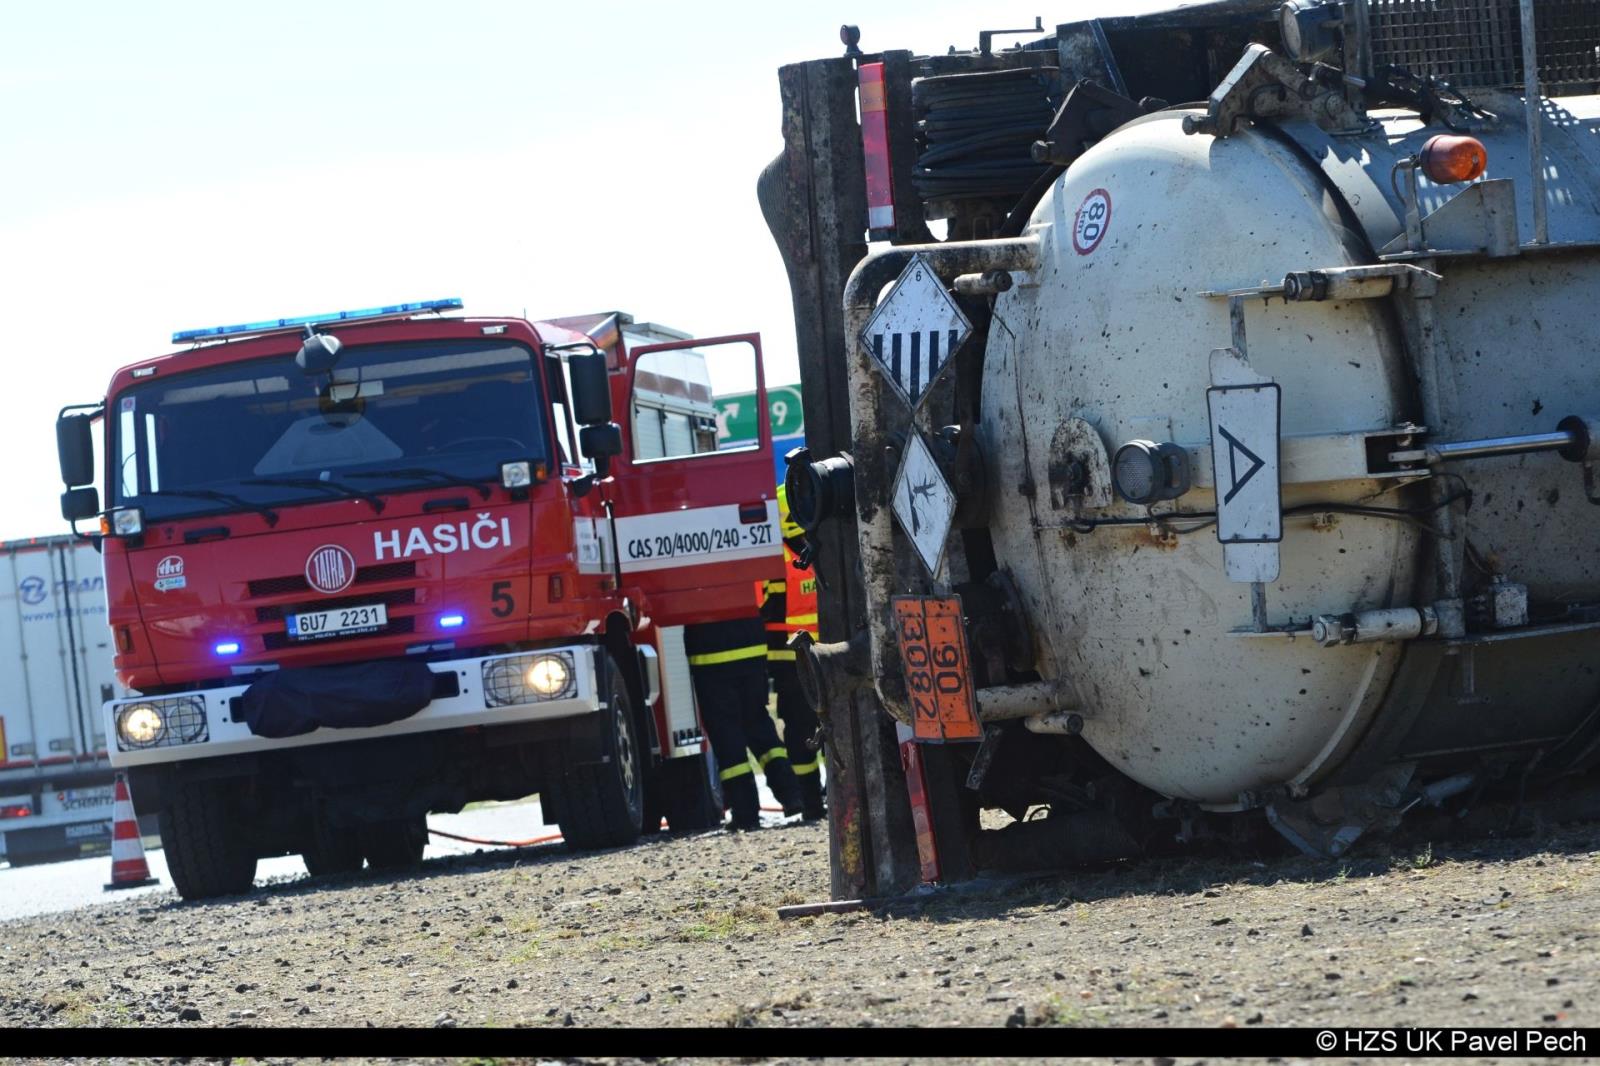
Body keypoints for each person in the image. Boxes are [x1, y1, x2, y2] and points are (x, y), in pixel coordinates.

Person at [685, 615, 804, 830]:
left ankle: (746, 813)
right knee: (758, 722)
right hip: (750, 640)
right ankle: (790, 793)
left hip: (709, 650)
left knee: (727, 737)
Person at [761, 484, 826, 821]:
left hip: (789, 662)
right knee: (835, 723)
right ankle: (841, 795)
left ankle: (812, 804)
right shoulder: (826, 550)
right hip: (829, 656)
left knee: (799, 731)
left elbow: (760, 605)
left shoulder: (776, 560)